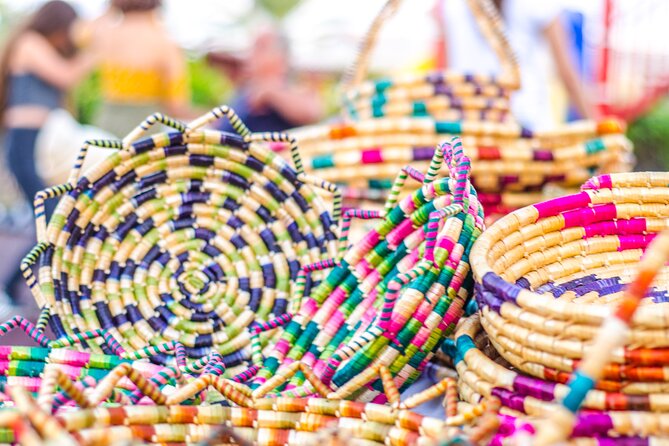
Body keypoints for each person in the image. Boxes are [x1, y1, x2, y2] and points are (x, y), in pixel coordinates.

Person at [0, 0, 96, 317]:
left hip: (45, 144)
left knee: (57, 217)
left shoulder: (43, 47)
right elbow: (66, 76)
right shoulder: (30, 43)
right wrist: (96, 50)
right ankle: (8, 288)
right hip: (25, 143)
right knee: (50, 217)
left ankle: (16, 288)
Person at [438, 0, 597, 130]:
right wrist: (596, 128)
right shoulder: (451, 6)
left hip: (476, 125)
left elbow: (444, 74)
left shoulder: (449, 6)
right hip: (511, 129)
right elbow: (567, 73)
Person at [92, 0, 192, 137]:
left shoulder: (106, 34)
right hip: (143, 136)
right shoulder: (165, 42)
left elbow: (81, 33)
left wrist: (110, 9)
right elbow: (176, 107)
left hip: (105, 130)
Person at [220, 29, 324, 133]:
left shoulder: (290, 90)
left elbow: (312, 113)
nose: (249, 54)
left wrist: (271, 91)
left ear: (280, 57)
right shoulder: (245, 90)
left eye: (259, 47)